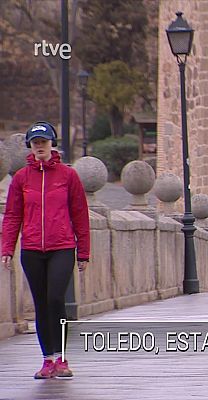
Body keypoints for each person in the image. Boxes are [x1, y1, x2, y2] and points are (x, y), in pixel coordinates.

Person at [1, 121, 90, 379]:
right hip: (31, 249)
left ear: (52, 144)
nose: (40, 147)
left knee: (55, 299)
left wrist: (83, 252)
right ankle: (47, 360)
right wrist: (7, 248)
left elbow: (80, 215)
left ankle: (62, 358)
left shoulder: (68, 175)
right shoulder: (21, 179)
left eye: (44, 142)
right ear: (31, 146)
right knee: (41, 304)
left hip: (61, 246)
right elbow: (12, 216)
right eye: (35, 143)